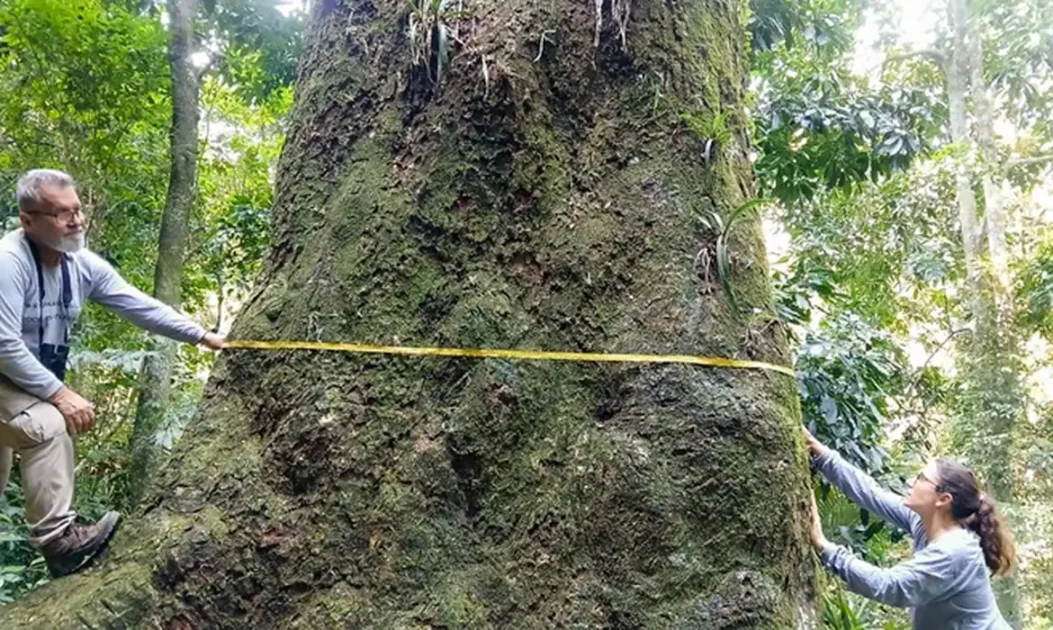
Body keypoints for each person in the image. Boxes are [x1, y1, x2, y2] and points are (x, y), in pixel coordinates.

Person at [0, 169, 226, 578]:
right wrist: (61, 394)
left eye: (77, 210)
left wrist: (201, 335)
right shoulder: (8, 263)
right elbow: (3, 344)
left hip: (19, 385)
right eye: (60, 214)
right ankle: (59, 543)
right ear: (28, 220)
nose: (76, 221)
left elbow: (136, 304)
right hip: (6, 375)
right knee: (50, 423)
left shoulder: (79, 265)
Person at [804, 427, 1016, 629]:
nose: (912, 481)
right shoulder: (925, 523)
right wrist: (821, 454)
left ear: (943, 499)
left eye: (921, 478)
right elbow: (873, 494)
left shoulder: (953, 552)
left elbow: (890, 586)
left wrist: (824, 547)